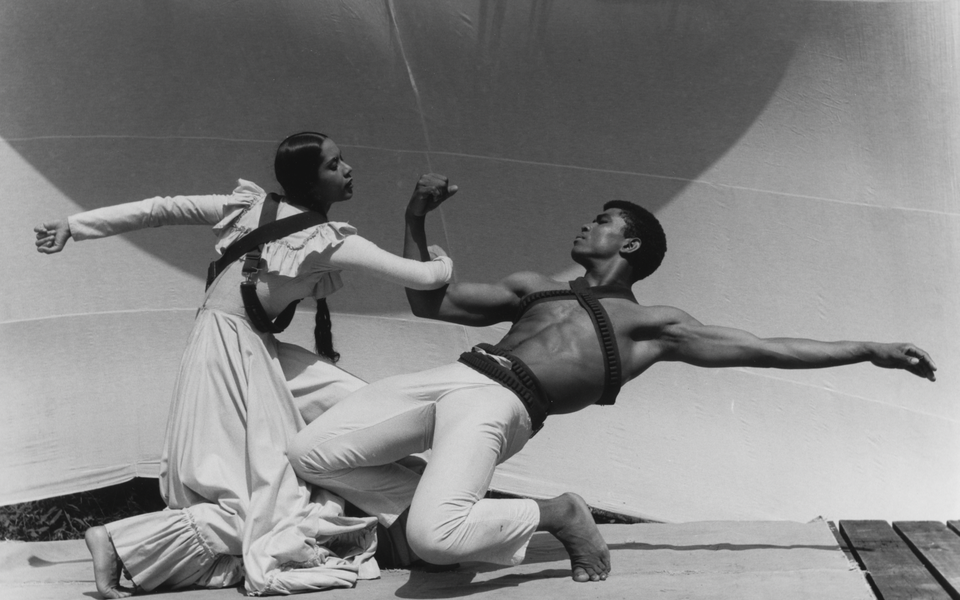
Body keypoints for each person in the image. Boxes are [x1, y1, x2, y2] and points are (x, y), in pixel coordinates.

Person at [287, 174, 937, 584]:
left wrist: (869, 349)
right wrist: (415, 219)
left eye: (602, 221)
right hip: (453, 376)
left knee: (434, 538)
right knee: (308, 454)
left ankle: (556, 513)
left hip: (502, 405)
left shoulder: (652, 324)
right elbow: (430, 302)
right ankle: (441, 496)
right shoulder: (534, 288)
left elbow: (764, 349)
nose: (585, 224)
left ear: (627, 247)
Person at [33, 133, 457, 597]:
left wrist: (74, 225)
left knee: (341, 415)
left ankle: (413, 500)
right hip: (234, 357)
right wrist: (436, 247)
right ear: (311, 183)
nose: (348, 169)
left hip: (226, 344)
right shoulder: (324, 240)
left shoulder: (250, 210)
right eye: (335, 165)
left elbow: (161, 208)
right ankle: (118, 541)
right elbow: (424, 276)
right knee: (262, 503)